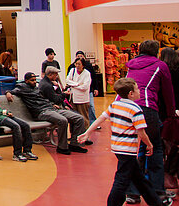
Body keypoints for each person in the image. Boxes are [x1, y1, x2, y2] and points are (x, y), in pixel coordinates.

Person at [78, 78, 164, 206]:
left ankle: (156, 202)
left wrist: (88, 132)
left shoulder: (115, 105)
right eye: (137, 89)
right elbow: (142, 133)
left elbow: (100, 119)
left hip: (117, 147)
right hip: (128, 149)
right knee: (121, 180)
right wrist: (150, 145)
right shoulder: (136, 110)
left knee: (139, 179)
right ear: (131, 94)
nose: (139, 91)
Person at [123, 40, 177, 205]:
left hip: (126, 109)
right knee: (155, 149)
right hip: (147, 109)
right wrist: (170, 115)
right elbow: (168, 92)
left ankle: (132, 193)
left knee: (134, 150)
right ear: (156, 52)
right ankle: (157, 192)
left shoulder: (131, 66)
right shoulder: (160, 65)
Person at [6, 72, 87, 155]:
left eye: (35, 80)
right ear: (26, 81)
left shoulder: (36, 88)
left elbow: (43, 99)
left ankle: (75, 144)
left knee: (79, 118)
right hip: (41, 112)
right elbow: (12, 91)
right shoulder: (22, 87)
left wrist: (52, 104)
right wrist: (8, 92)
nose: (34, 82)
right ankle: (62, 147)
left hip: (51, 108)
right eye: (32, 80)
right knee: (63, 120)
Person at [66, 56, 92, 126]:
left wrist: (73, 86)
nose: (77, 66)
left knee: (84, 116)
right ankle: (74, 134)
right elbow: (68, 81)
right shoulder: (72, 71)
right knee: (73, 117)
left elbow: (85, 87)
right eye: (76, 64)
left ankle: (85, 133)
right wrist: (77, 84)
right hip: (73, 98)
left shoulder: (87, 73)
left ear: (83, 65)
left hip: (82, 99)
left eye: (79, 64)